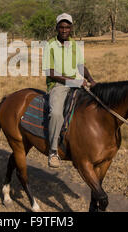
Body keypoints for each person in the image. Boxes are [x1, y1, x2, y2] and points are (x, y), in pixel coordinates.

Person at [42, 13, 96, 168]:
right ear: (57, 28)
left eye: (67, 27)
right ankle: (53, 151)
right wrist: (73, 81)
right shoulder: (50, 45)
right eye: (61, 27)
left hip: (76, 82)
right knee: (56, 113)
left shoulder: (74, 45)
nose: (64, 30)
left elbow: (80, 66)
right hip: (58, 85)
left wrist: (91, 80)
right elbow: (50, 72)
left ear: (71, 28)